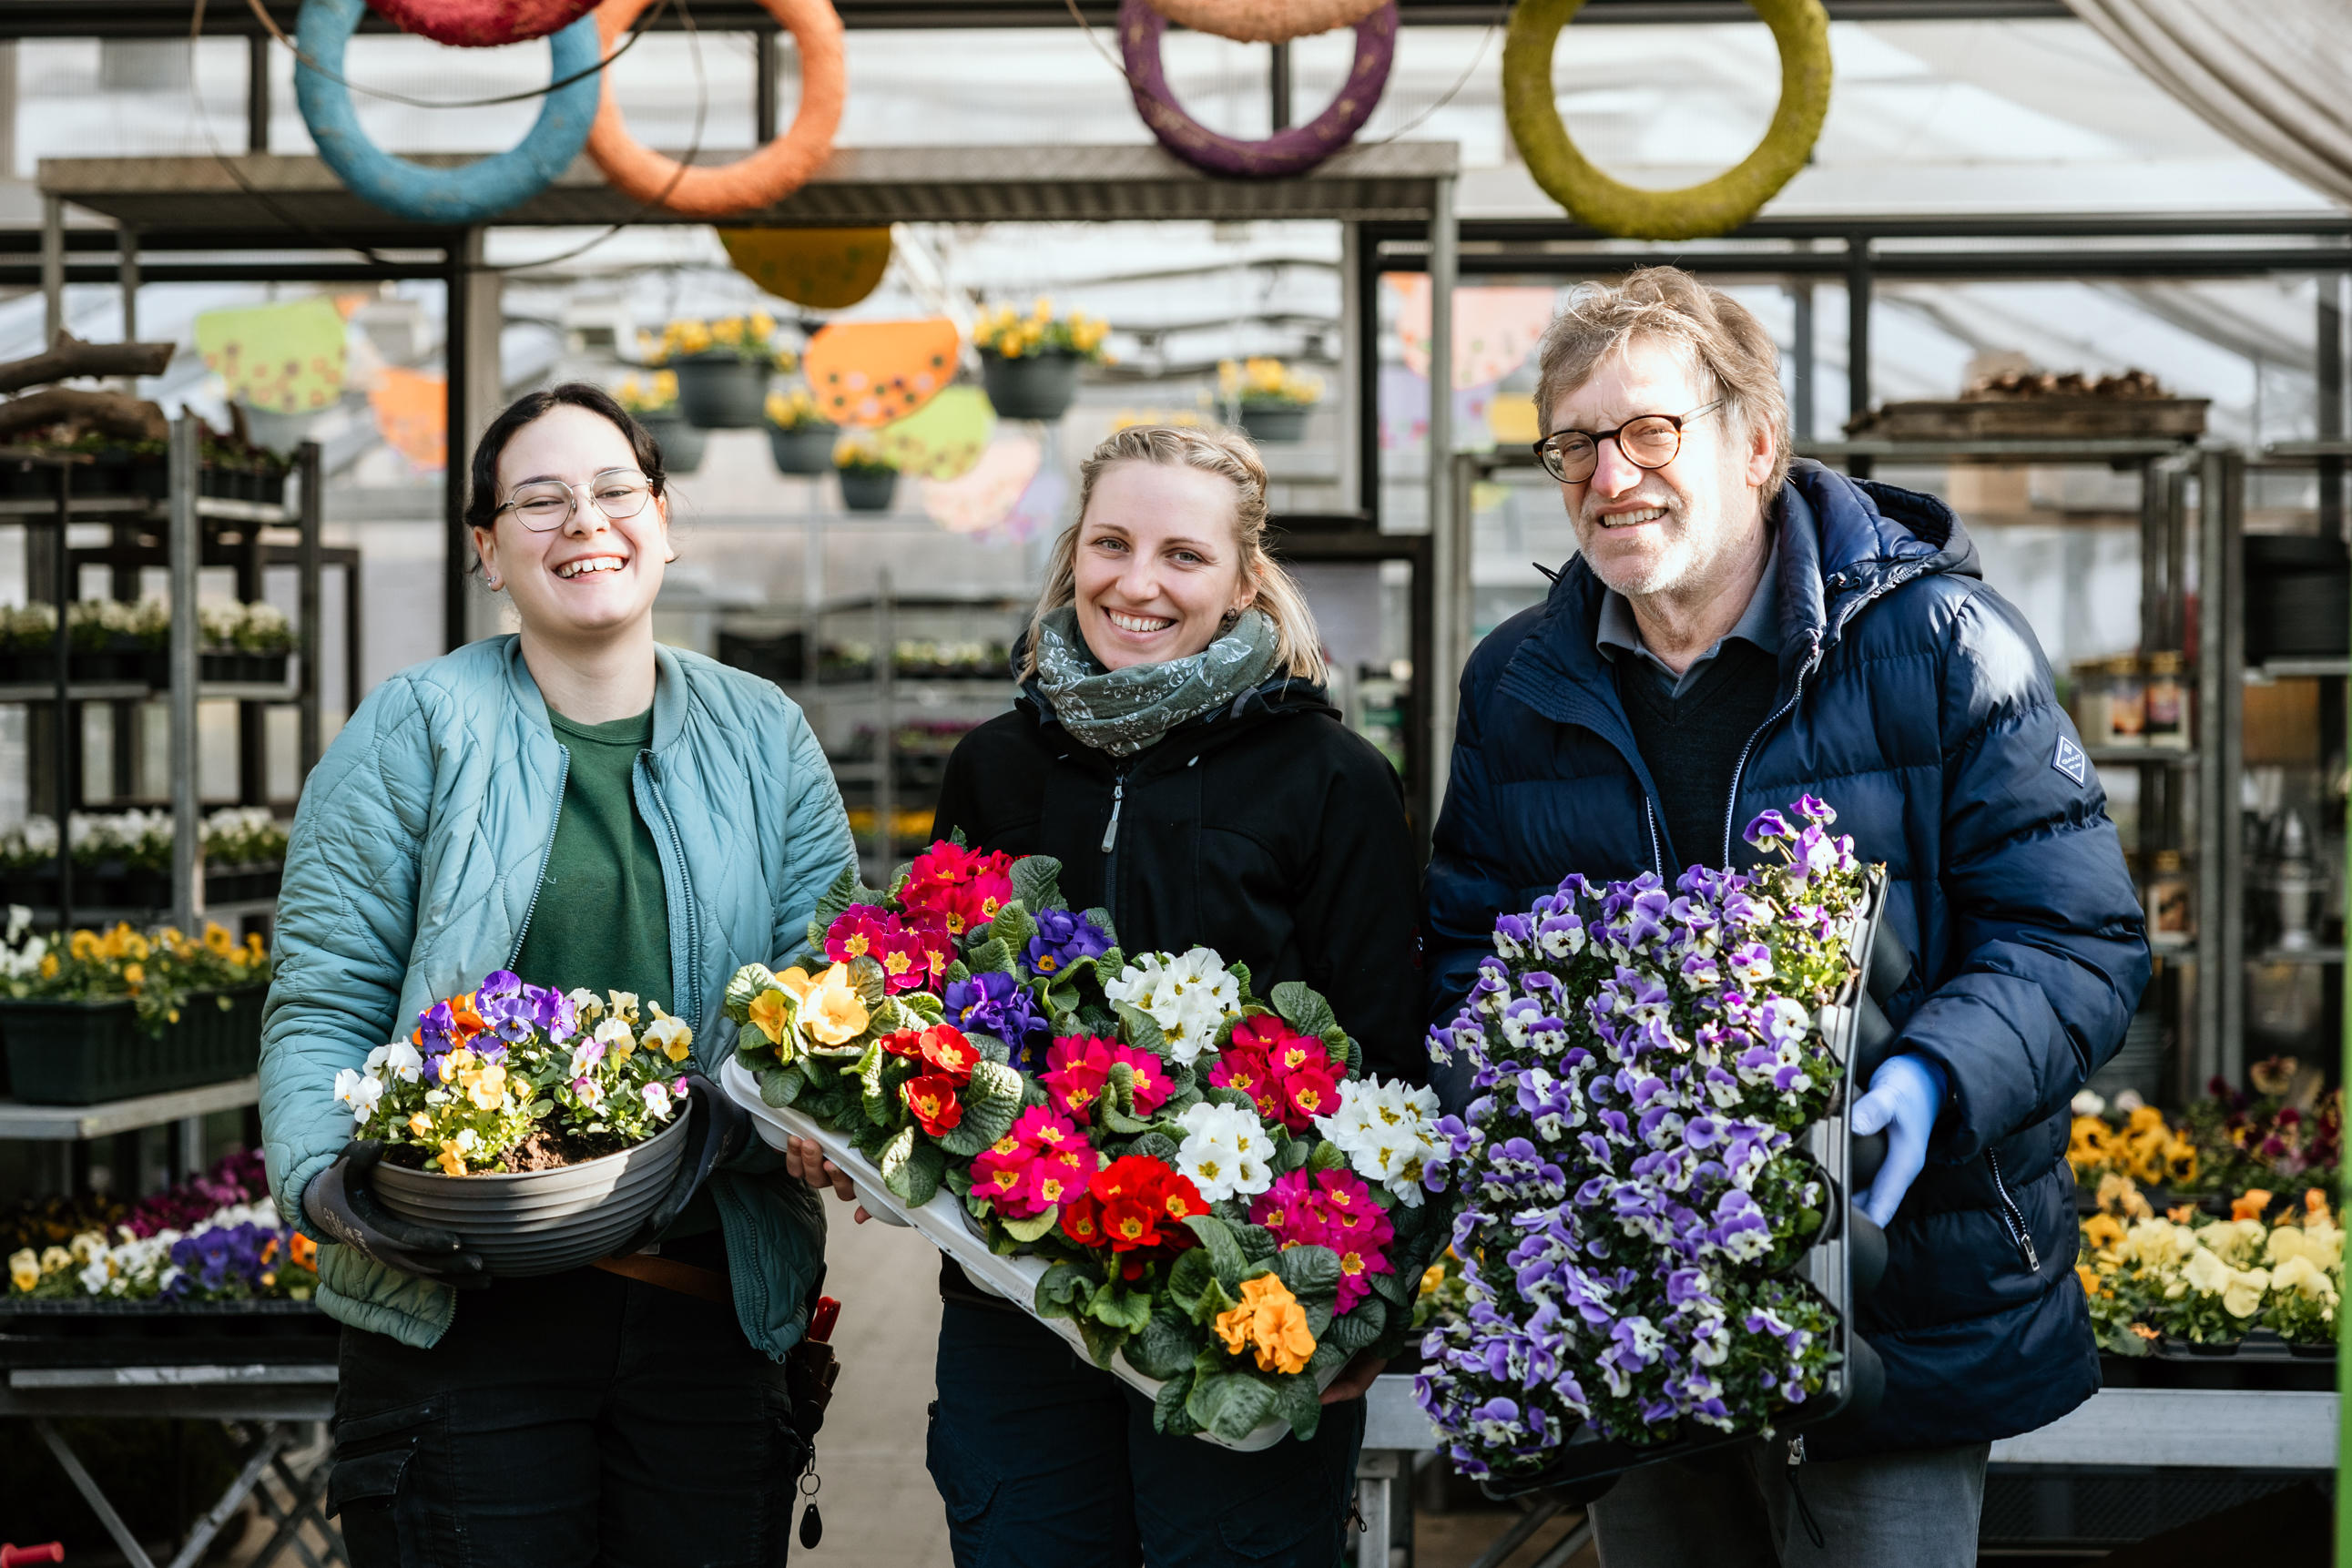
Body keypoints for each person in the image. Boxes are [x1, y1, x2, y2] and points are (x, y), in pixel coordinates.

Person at [1421, 269, 2151, 1566]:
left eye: (1650, 431)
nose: (1609, 476)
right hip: (1626, 1291)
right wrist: (1526, 1123)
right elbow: (1467, 952)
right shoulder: (1517, 683)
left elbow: (2074, 933)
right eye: (1572, 445)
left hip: (1898, 1278)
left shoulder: (1937, 643)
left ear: (1754, 444)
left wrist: (1928, 1076)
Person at [789, 424, 1420, 1566]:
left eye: (1184, 555)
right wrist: (854, 1107)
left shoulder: (1334, 781)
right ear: (1072, 552)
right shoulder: (996, 764)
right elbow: (934, 1006)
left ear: (1242, 580)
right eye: (1111, 543)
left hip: (1240, 1307)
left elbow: (1386, 1061)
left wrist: (1365, 1308)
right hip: (1014, 1293)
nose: (1138, 583)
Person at [258, 382, 857, 1566]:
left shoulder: (764, 734)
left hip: (706, 1307)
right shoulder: (416, 728)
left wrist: (819, 1107)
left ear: (664, 519)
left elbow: (823, 985)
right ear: (487, 549)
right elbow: (323, 995)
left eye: (612, 490)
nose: (583, 520)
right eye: (539, 500)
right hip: (464, 1313)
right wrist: (328, 1186)